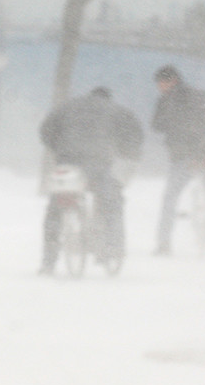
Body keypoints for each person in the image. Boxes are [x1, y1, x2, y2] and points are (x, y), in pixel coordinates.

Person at [38, 86, 143, 274]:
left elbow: (46, 130)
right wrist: (126, 152)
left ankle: (48, 261)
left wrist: (58, 148)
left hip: (67, 161)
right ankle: (113, 247)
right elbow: (134, 134)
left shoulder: (67, 106)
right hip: (97, 163)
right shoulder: (115, 110)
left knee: (55, 207)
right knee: (112, 200)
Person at [151, 64, 205, 255]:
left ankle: (163, 243)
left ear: (171, 81)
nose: (159, 87)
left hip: (184, 156)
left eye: (160, 83)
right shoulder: (203, 96)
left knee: (170, 199)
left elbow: (157, 125)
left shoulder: (167, 100)